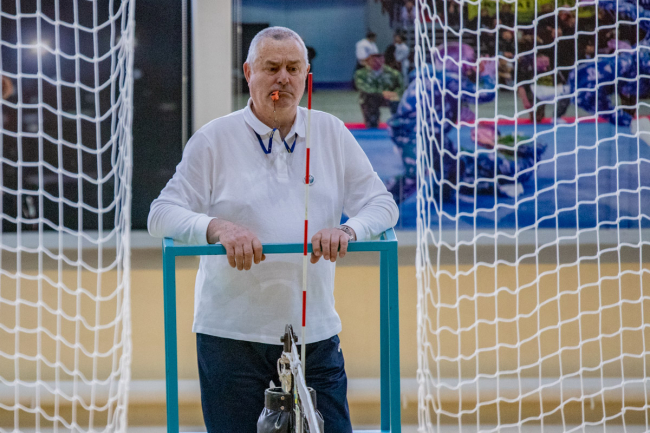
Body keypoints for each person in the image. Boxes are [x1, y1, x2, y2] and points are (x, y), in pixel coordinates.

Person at [148, 26, 398, 433]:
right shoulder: (214, 138)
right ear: (249, 72)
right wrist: (217, 228)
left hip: (314, 333)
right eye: (271, 67)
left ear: (306, 75)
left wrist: (349, 231)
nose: (283, 78)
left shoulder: (331, 133)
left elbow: (382, 205)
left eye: (293, 68)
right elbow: (161, 213)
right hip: (230, 337)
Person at [387, 43, 546, 203]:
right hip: (412, 133)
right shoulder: (447, 78)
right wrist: (488, 75)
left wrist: (476, 122)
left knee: (454, 165)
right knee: (415, 174)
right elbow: (484, 95)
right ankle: (383, 203)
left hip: (429, 133)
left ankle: (442, 196)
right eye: (469, 59)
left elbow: (455, 107)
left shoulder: (438, 77)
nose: (472, 64)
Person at [354, 53, 404, 128]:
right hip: (370, 98)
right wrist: (382, 93)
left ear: (383, 60)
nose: (377, 62)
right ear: (369, 61)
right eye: (374, 60)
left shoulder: (393, 73)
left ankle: (398, 123)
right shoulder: (361, 74)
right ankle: (372, 123)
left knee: (398, 102)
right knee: (369, 101)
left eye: (380, 59)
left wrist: (394, 93)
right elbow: (362, 87)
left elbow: (401, 87)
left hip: (390, 97)